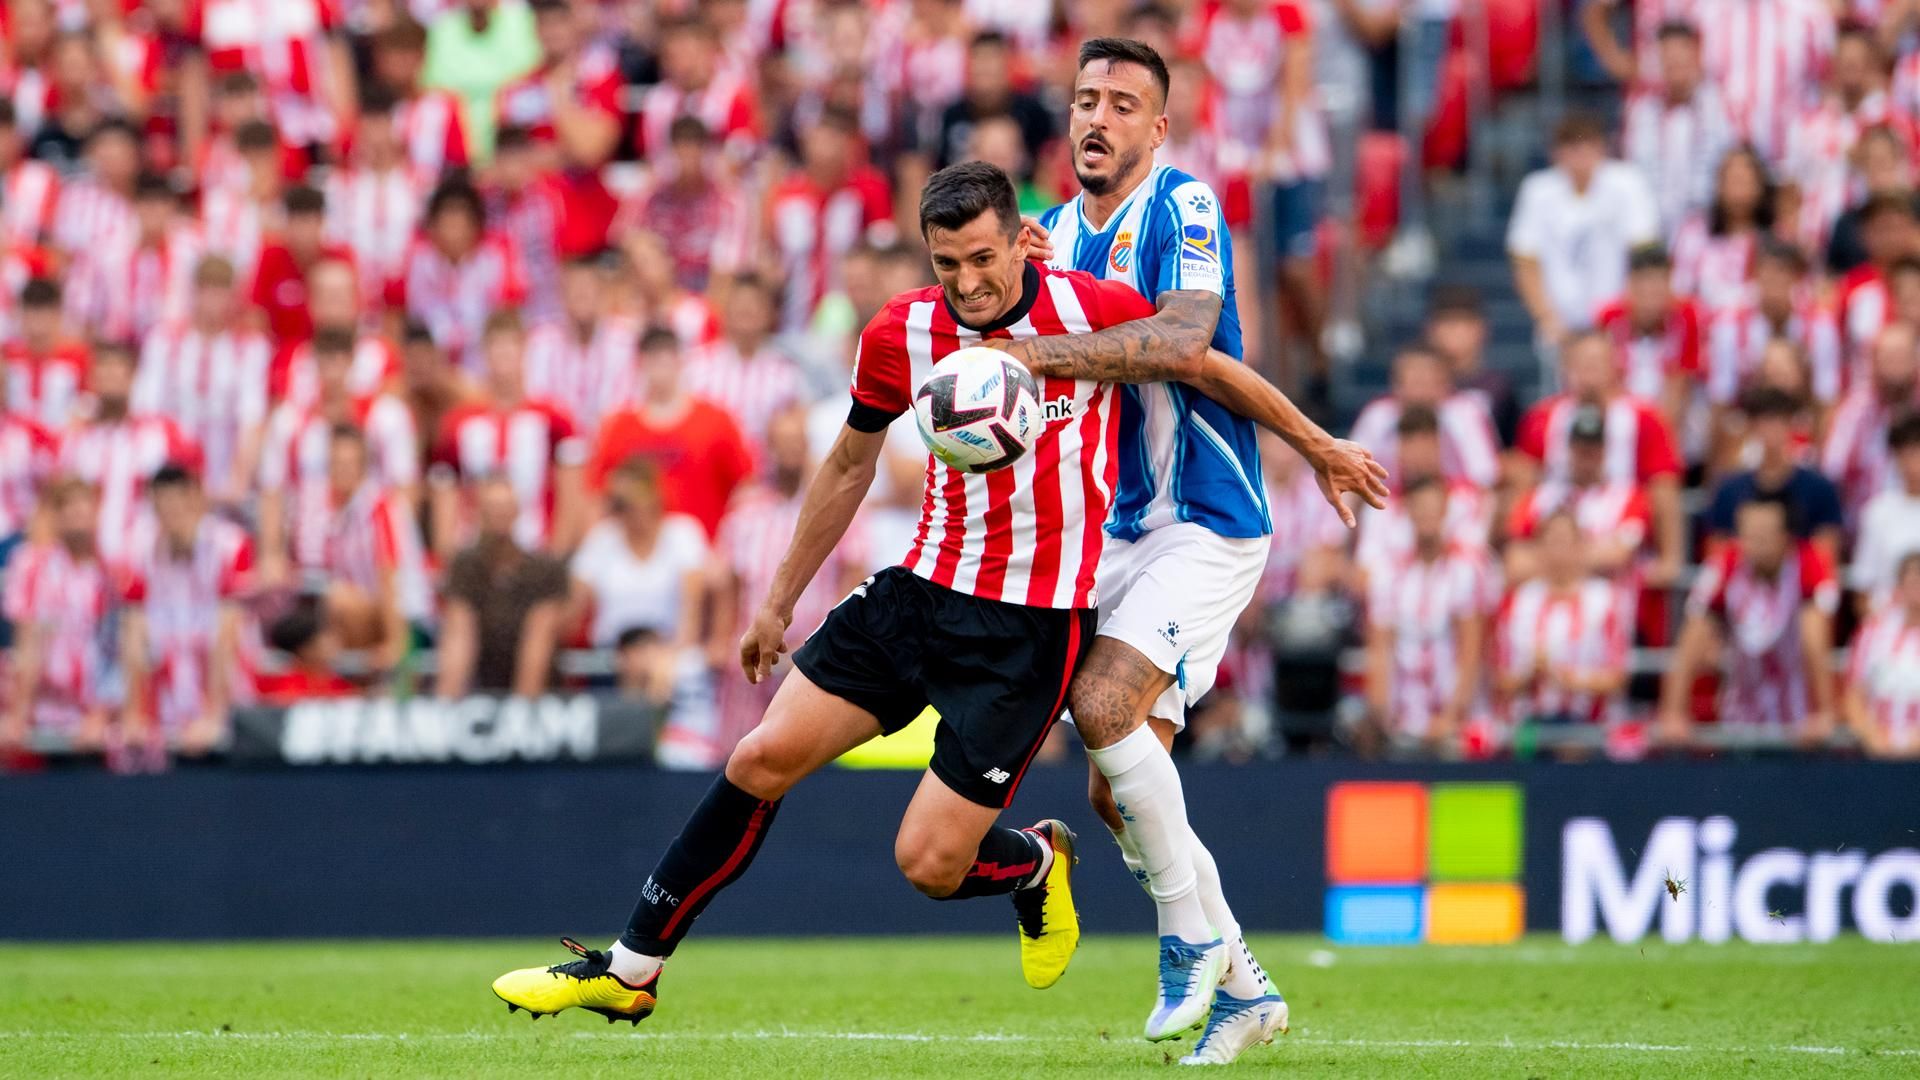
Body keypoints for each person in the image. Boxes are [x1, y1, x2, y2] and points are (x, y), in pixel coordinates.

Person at [488, 161, 1372, 1048]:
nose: (969, 281)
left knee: (929, 864)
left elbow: (1200, 363)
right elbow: (847, 464)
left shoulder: (1086, 310)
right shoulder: (901, 331)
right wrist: (778, 602)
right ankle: (627, 971)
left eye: (983, 257)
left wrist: (1318, 443)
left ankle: (1036, 863)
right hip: (918, 594)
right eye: (948, 263)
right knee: (760, 758)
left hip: (1029, 633)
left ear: (1016, 236)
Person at [1018, 39, 1385, 1060]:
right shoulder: (1046, 237)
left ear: (1157, 126)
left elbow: (1190, 345)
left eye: (1123, 102)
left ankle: (1189, 942)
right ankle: (1245, 985)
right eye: (1086, 98)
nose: (1098, 116)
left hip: (1205, 519)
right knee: (1112, 784)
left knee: (1102, 708)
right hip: (1111, 536)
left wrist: (1032, 350)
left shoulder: (1181, 209)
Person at [1662, 495, 1839, 745]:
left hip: (1797, 722)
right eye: (1748, 536)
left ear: (1785, 538)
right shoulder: (1727, 562)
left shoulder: (1809, 562)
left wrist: (1824, 713)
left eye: (1764, 536)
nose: (1754, 545)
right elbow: (1693, 633)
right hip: (1739, 717)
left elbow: (1817, 634)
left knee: (1811, 622)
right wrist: (1674, 712)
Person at [118, 464, 254, 758]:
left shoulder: (229, 545)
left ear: (195, 500)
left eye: (177, 507)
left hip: (221, 689)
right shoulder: (142, 549)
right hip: (167, 692)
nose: (171, 518)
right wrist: (134, 713)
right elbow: (134, 630)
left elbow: (227, 633)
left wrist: (215, 715)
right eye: (162, 509)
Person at [429, 312, 585, 559]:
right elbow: (445, 501)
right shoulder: (457, 424)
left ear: (524, 351)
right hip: (475, 557)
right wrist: (451, 560)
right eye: (496, 347)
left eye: (510, 346)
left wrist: (554, 562)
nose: (503, 356)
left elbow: (571, 495)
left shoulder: (555, 418)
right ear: (484, 354)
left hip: (535, 553)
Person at [1362, 477, 1494, 756]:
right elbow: (1380, 648)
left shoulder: (1465, 571)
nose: (1426, 517)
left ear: (1446, 511)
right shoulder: (1389, 574)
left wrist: (1452, 716)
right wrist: (1383, 714)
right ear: (1408, 512)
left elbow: (1470, 650)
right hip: (1404, 719)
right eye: (1419, 508)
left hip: (1453, 719)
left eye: (1433, 509)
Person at [588, 329, 755, 539]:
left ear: (679, 361)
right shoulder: (618, 428)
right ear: (641, 364)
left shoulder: (716, 422)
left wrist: (728, 545)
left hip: (703, 554)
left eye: (665, 360)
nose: (660, 370)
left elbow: (745, 488)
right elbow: (601, 498)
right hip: (638, 554)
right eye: (653, 360)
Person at [133, 255, 273, 506]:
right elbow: (148, 410)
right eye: (207, 292)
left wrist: (237, 481)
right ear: (194, 292)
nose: (213, 303)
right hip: (171, 470)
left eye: (221, 294)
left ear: (233, 297)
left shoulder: (250, 348)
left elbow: (252, 418)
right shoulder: (164, 341)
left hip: (224, 475)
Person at [1508, 114, 1661, 341]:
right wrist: (1546, 317)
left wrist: (1624, 316)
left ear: (1602, 148)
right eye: (1572, 147)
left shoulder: (1627, 183)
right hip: (1559, 323)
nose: (1580, 156)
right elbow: (1525, 262)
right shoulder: (1537, 190)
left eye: (1587, 146)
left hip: (1619, 320)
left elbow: (1643, 258)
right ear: (1556, 152)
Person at [0, 477, 113, 754]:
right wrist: (18, 716)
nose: (77, 515)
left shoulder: (111, 573)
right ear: (56, 515)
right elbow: (28, 640)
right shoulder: (31, 565)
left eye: (83, 506)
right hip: (40, 714)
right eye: (68, 507)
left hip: (94, 719)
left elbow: (115, 650)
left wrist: (101, 714)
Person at [1492, 512, 1633, 733]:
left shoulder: (1604, 600)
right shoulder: (1519, 601)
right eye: (1551, 541)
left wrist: (1568, 679)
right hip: (1529, 726)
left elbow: (1618, 676)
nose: (1558, 551)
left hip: (1589, 728)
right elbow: (1500, 678)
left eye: (1565, 541)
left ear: (1581, 547)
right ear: (1538, 548)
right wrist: (1530, 675)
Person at [435, 475, 568, 700]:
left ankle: (523, 709)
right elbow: (460, 627)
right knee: (458, 629)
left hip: (538, 679)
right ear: (477, 513)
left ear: (517, 512)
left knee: (540, 628)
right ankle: (444, 708)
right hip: (481, 669)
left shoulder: (544, 568)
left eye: (505, 508)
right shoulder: (465, 566)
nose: (499, 516)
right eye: (492, 508)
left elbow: (543, 629)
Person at [1705, 387, 1844, 563]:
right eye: (1763, 421)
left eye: (1777, 420)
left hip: (1800, 585)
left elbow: (1825, 557)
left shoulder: (1820, 489)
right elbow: (1718, 558)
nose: (1770, 430)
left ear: (1790, 424)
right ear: (1752, 426)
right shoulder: (1728, 491)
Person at [1622, 22, 1733, 238]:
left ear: (1696, 56)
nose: (1674, 64)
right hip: (1653, 228)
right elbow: (1635, 173)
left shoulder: (1721, 107)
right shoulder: (1642, 111)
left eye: (1680, 57)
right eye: (1667, 58)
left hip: (1708, 228)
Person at [1844, 552, 1920, 758]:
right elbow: (1853, 693)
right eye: (1911, 581)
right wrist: (1871, 737)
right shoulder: (1873, 632)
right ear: (1899, 587)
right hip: (1877, 753)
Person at [1849, 413, 1920, 609]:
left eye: (1917, 451)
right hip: (1889, 622)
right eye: (1904, 453)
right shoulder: (1878, 512)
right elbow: (1862, 591)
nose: (1912, 461)